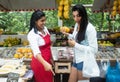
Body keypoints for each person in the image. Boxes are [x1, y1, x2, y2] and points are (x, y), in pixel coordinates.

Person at [60, 4, 99, 82]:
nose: (76, 19)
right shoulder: (77, 25)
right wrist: (67, 35)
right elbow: (76, 38)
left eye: (78, 16)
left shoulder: (90, 28)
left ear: (83, 15)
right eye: (74, 16)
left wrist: (75, 45)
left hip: (85, 61)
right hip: (76, 60)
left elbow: (94, 49)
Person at [27, 10, 55, 82]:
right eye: (42, 21)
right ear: (35, 21)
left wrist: (51, 58)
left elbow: (48, 46)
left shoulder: (45, 29)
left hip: (47, 61)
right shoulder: (32, 35)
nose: (44, 23)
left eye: (45, 20)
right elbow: (36, 52)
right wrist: (44, 63)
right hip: (40, 63)